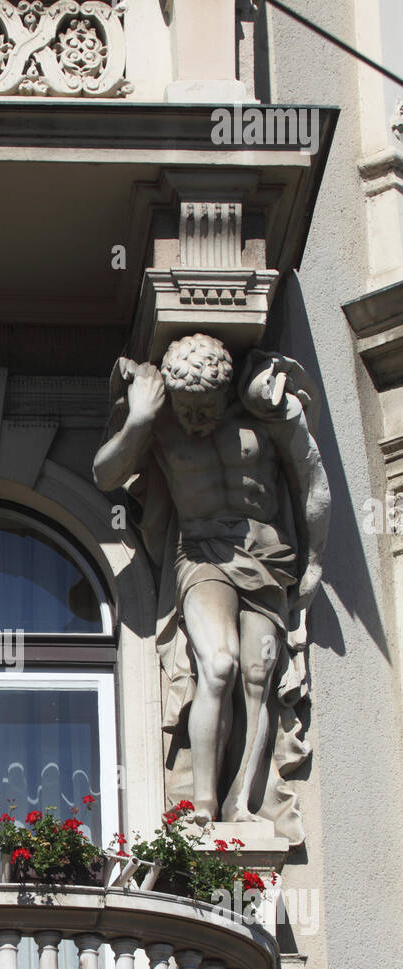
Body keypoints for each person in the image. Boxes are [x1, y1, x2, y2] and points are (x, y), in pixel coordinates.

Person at [93, 332, 330, 830]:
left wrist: (314, 558)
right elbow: (105, 474)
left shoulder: (262, 411)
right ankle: (201, 804)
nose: (195, 420)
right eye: (186, 409)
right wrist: (140, 417)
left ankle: (239, 801)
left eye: (207, 409)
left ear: (226, 394)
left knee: (259, 675)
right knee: (217, 664)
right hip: (199, 554)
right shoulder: (159, 424)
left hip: (268, 558)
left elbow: (310, 479)